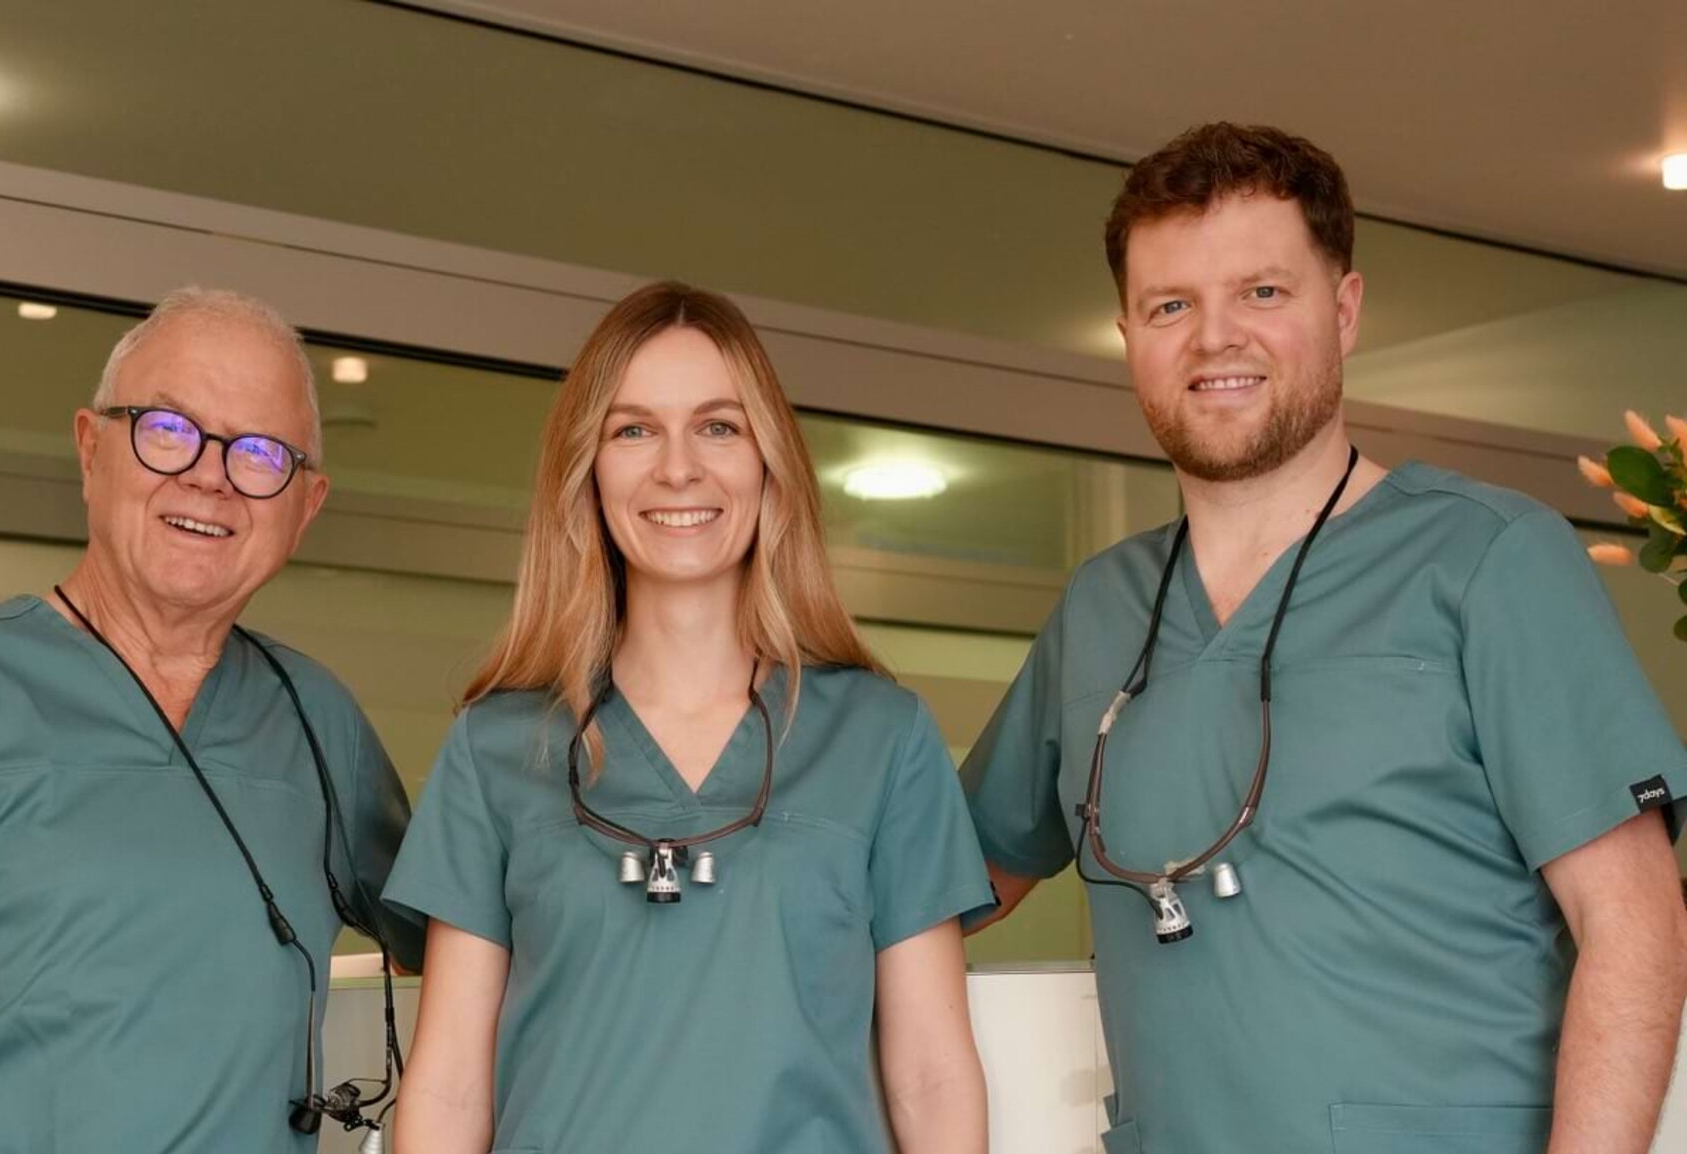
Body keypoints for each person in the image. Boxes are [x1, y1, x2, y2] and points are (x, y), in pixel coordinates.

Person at [962, 123, 1687, 1154]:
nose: (1216, 338)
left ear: (1343, 311)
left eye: (1263, 292)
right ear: (1129, 336)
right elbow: (952, 879)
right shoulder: (1101, 610)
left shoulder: (1490, 561)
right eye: (1172, 305)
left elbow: (1635, 924)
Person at [0, 288, 421, 1154]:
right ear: (89, 447)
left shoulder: (318, 721)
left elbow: (481, 956)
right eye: (166, 429)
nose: (208, 475)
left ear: (306, 505)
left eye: (261, 453)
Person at [385, 281, 991, 1154]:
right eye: (633, 430)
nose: (679, 468)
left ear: (767, 460)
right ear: (586, 473)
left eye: (719, 425)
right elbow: (445, 1090)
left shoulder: (880, 738)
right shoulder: (498, 749)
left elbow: (932, 1077)